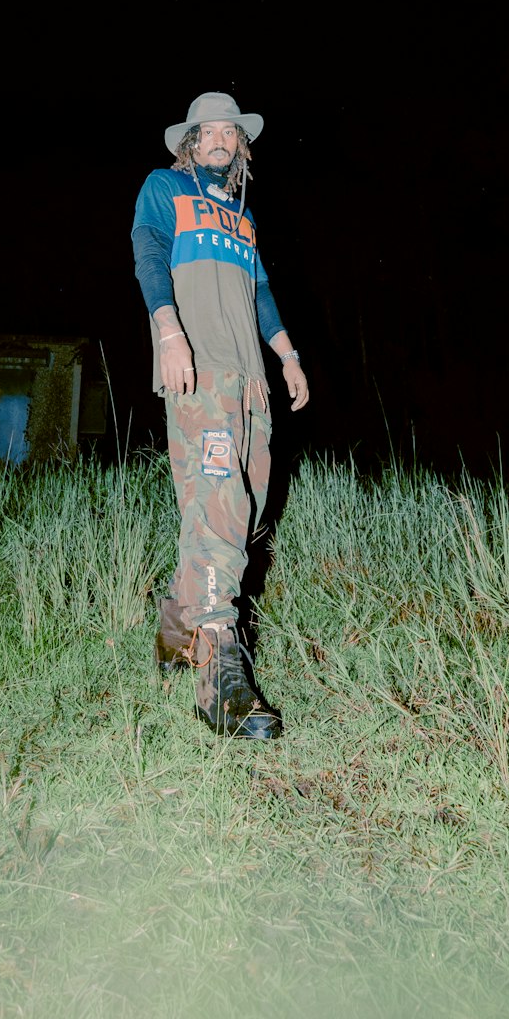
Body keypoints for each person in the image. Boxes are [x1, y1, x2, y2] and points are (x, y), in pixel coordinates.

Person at [132, 92, 309, 740]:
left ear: (240, 145)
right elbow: (148, 251)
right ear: (190, 141)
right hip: (198, 366)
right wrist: (167, 328)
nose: (216, 140)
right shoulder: (165, 188)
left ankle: (177, 626)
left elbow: (260, 289)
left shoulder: (241, 214)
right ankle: (218, 676)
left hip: (251, 381)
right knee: (219, 497)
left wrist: (287, 356)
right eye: (205, 131)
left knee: (248, 506)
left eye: (226, 132)